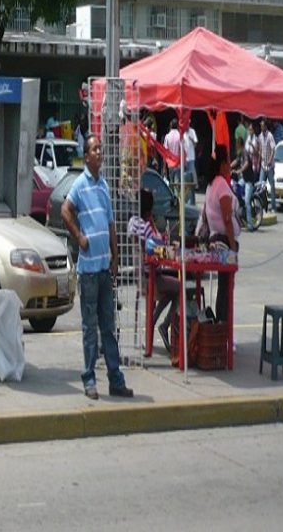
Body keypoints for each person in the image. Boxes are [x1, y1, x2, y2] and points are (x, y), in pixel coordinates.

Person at [61, 134, 133, 400]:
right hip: (89, 271)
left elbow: (111, 223)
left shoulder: (103, 185)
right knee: (90, 328)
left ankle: (116, 379)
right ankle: (89, 378)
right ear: (86, 156)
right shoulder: (79, 185)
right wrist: (79, 237)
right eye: (94, 149)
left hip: (104, 268)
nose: (99, 152)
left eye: (100, 148)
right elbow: (65, 211)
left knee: (108, 326)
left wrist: (116, 256)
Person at [128, 188, 179, 354]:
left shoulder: (132, 223)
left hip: (139, 277)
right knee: (180, 289)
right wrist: (155, 228)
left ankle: (153, 326)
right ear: (149, 210)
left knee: (170, 292)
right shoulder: (146, 228)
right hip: (151, 278)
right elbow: (160, 246)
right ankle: (164, 325)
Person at [202, 145, 240, 323]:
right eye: (228, 162)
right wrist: (233, 247)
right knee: (226, 288)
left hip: (214, 241)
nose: (230, 165)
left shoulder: (211, 185)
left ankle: (221, 325)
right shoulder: (222, 185)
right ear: (223, 164)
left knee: (223, 287)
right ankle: (224, 326)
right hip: (224, 242)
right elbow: (227, 219)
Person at [257, 119, 276, 205]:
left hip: (270, 166)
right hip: (263, 165)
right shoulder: (260, 136)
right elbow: (260, 148)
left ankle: (273, 205)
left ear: (265, 126)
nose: (261, 127)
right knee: (261, 185)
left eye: (262, 126)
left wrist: (270, 160)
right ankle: (261, 204)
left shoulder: (270, 136)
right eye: (260, 126)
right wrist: (259, 161)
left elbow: (273, 149)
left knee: (271, 186)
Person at [163, 118, 181, 186]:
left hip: (170, 164)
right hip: (178, 164)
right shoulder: (180, 136)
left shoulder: (167, 137)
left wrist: (164, 167)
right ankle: (176, 196)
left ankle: (172, 196)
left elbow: (165, 152)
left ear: (170, 126)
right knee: (177, 184)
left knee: (171, 184)